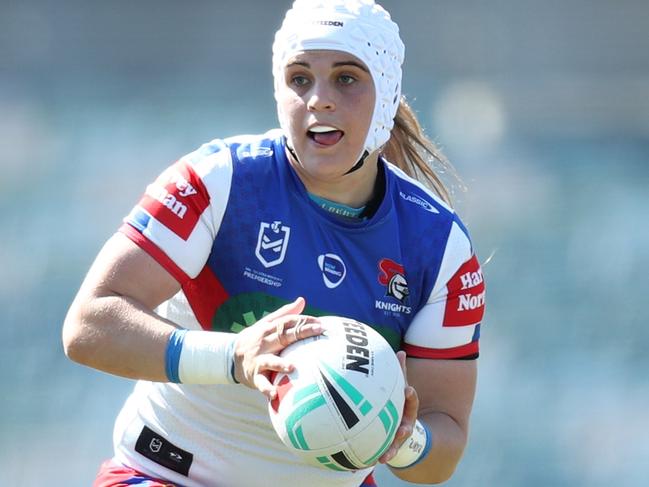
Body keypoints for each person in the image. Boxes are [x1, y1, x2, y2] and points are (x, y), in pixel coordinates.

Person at [63, 0, 486, 486]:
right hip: (167, 473)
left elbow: (444, 443)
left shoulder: (439, 244)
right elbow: (88, 324)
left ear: (387, 94)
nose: (319, 100)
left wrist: (405, 441)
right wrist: (234, 358)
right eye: (300, 78)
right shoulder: (221, 180)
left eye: (346, 78)